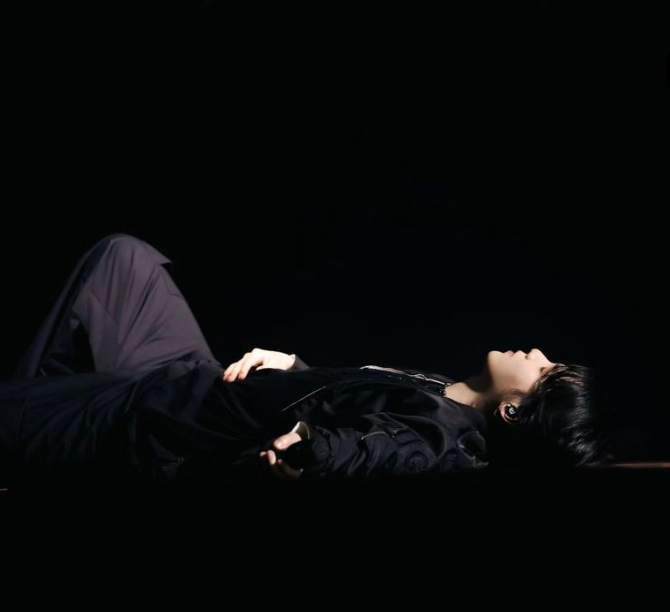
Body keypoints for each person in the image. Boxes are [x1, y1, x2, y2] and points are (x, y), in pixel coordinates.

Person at [0, 233, 612, 490]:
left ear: (513, 411)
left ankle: (44, 421)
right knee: (125, 260)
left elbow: (380, 451)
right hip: (197, 383)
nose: (538, 353)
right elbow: (349, 403)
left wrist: (309, 448)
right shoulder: (442, 392)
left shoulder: (441, 437)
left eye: (544, 372)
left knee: (23, 412)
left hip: (164, 419)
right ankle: (49, 412)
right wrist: (292, 367)